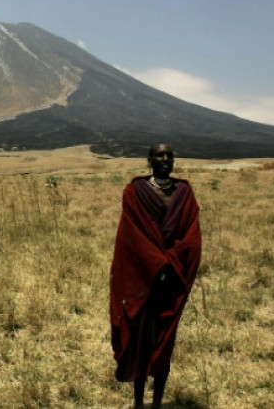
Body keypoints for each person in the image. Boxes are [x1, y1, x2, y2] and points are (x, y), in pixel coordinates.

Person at [109, 143, 202, 409]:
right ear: (149, 160)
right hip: (143, 279)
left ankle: (157, 403)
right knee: (141, 340)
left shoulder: (184, 192)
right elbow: (133, 236)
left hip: (172, 279)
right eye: (159, 155)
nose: (165, 159)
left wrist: (171, 265)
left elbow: (191, 236)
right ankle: (139, 403)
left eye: (170, 155)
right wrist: (156, 265)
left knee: (165, 341)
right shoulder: (135, 191)